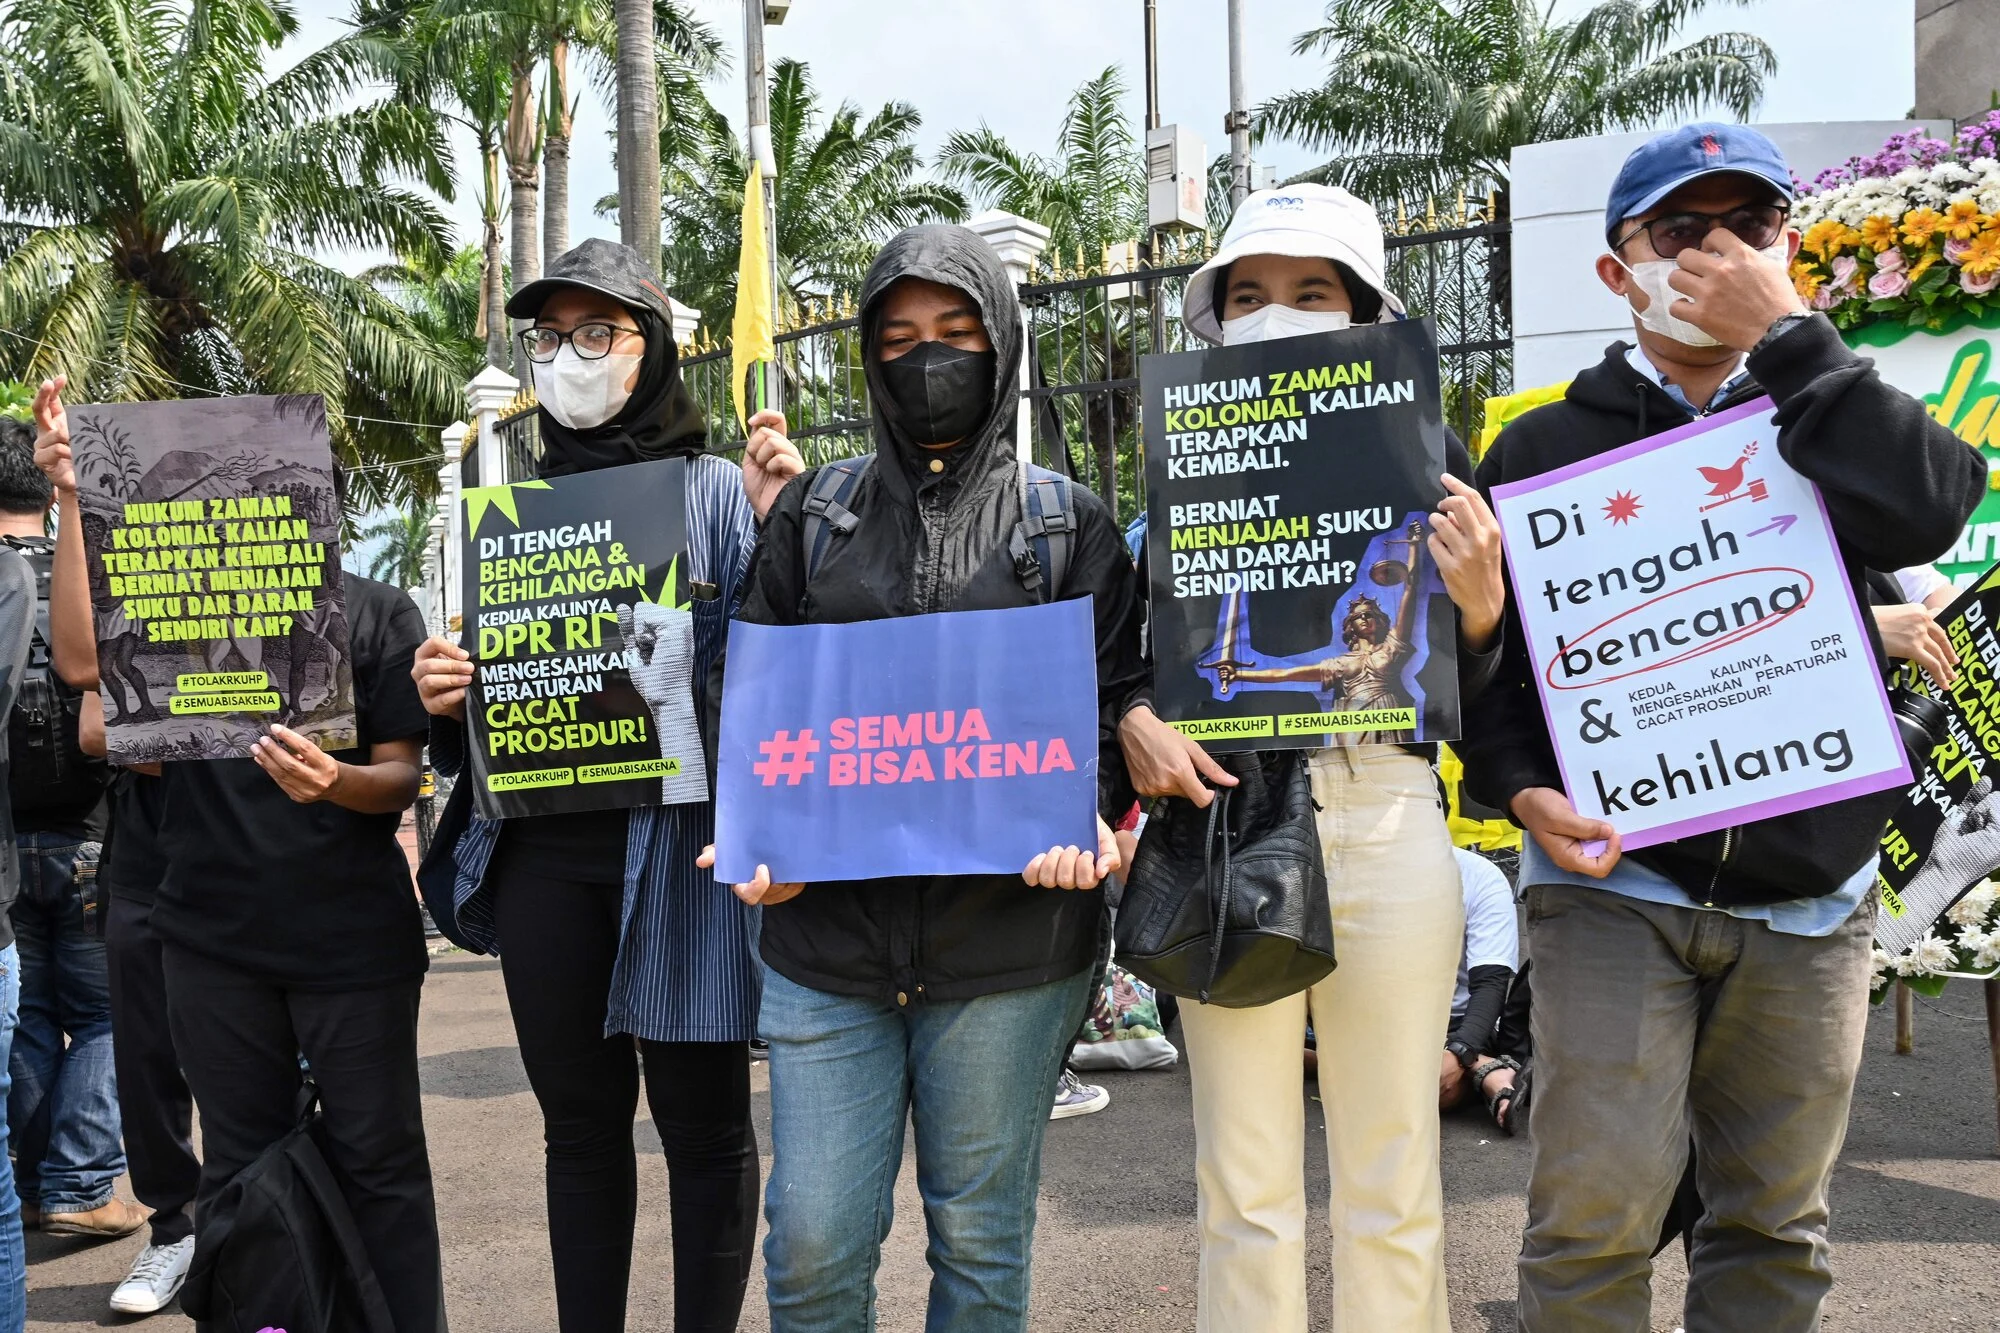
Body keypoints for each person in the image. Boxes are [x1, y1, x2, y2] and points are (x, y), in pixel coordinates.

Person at [1459, 123, 1987, 1332]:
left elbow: (1931, 510)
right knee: (1591, 1217)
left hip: (1808, 898)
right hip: (1614, 887)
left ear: (1784, 246)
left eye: (1748, 227)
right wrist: (1518, 789)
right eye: (1680, 232)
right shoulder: (1540, 450)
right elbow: (1494, 679)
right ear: (1615, 268)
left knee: (1769, 1222)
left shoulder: (1826, 412)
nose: (1716, 255)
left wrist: (1791, 339)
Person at [699, 223, 1143, 1333]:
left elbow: (1117, 703)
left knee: (982, 1249)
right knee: (808, 1250)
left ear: (1001, 343)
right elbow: (748, 699)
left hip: (1010, 947)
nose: (927, 358)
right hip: (824, 946)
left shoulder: (1065, 525)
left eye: (954, 331)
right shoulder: (812, 517)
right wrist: (762, 841)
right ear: (865, 353)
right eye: (897, 337)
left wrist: (1092, 821)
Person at [1114, 182, 1507, 1333]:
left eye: (1308, 292)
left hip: (1386, 805)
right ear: (1214, 323)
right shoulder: (1173, 470)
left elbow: (1476, 704)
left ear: (1363, 315)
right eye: (1247, 295)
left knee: (1393, 1177)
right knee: (1243, 1183)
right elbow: (1123, 660)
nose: (1274, 313)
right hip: (1228, 817)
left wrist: (1480, 611)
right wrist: (1136, 714)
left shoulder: (1434, 463)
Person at [411, 238, 795, 1333]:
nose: (567, 356)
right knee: (577, 1127)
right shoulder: (512, 514)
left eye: (596, 333)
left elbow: (784, 671)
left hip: (682, 859)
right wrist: (447, 692)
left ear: (651, 348)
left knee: (703, 1125)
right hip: (545, 857)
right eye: (548, 337)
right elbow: (481, 704)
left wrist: (784, 534)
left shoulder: (719, 494)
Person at [35, 378, 448, 1331]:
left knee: (381, 1159)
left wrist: (334, 784)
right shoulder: (173, 607)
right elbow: (79, 664)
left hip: (352, 942)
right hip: (211, 939)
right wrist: (68, 496)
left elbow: (401, 777)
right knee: (239, 1167)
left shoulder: (376, 611)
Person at [31, 396, 200, 1314]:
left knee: (266, 1055)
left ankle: (271, 1217)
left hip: (266, 858)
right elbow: (87, 693)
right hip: (147, 853)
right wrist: (68, 495)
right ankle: (175, 1226)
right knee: (141, 1052)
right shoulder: (140, 589)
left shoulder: (295, 586)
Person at [0, 418, 139, 1252]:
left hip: (4, 851)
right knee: (103, 1015)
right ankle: (82, 1181)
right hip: (92, 833)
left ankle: (34, 1178)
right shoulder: (85, 577)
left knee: (28, 1015)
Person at [1436, 845, 1524, 1133]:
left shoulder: (1478, 875)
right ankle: (1486, 1069)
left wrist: (1460, 1051)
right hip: (1372, 1021)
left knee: (1430, 1093)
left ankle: (1472, 1064)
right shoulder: (1347, 865)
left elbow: (1491, 983)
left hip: (1454, 1022)